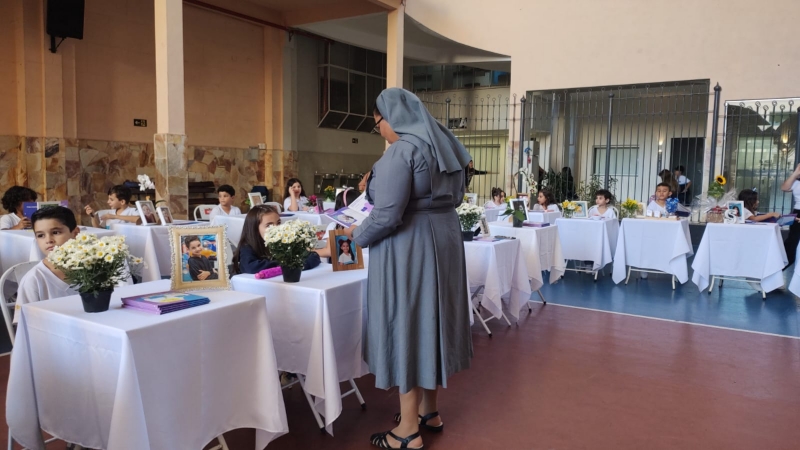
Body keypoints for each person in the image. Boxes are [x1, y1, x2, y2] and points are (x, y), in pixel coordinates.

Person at [344, 88, 472, 450]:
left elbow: (386, 215)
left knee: (407, 324)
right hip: (444, 242)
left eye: (378, 124)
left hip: (409, 247)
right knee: (431, 321)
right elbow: (457, 196)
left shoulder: (402, 151)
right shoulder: (447, 146)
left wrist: (355, 236)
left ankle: (408, 431)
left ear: (392, 118)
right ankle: (429, 411)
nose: (381, 131)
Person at [13, 206, 81, 323]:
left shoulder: (92, 269)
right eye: (41, 235)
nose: (48, 240)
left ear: (75, 233)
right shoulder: (34, 280)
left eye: (56, 232)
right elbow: (24, 325)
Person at [232, 205, 328, 274]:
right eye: (269, 225)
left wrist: (293, 265)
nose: (276, 228)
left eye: (278, 223)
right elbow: (251, 267)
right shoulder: (247, 246)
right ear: (255, 228)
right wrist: (288, 265)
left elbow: (313, 256)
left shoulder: (284, 242)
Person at [782, 163, 800, 267]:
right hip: (797, 212)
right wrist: (795, 173)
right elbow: (784, 188)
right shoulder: (796, 182)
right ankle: (783, 268)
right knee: (792, 242)